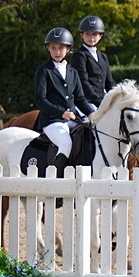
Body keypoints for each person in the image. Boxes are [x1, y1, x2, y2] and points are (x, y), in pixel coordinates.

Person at [34, 27, 95, 181]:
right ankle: (55, 181)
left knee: (90, 135)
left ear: (68, 49)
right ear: (48, 49)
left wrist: (91, 113)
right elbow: (40, 100)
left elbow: (80, 98)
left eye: (61, 48)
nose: (57, 51)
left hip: (72, 120)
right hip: (52, 121)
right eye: (53, 48)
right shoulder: (44, 71)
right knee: (66, 143)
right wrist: (61, 113)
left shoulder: (72, 72)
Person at [68, 15, 116, 108]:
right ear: (81, 35)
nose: (91, 38)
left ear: (100, 35)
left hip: (103, 100)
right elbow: (83, 82)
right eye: (87, 34)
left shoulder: (103, 57)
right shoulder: (80, 56)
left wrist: (117, 97)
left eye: (94, 34)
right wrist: (99, 102)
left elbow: (110, 83)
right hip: (86, 101)